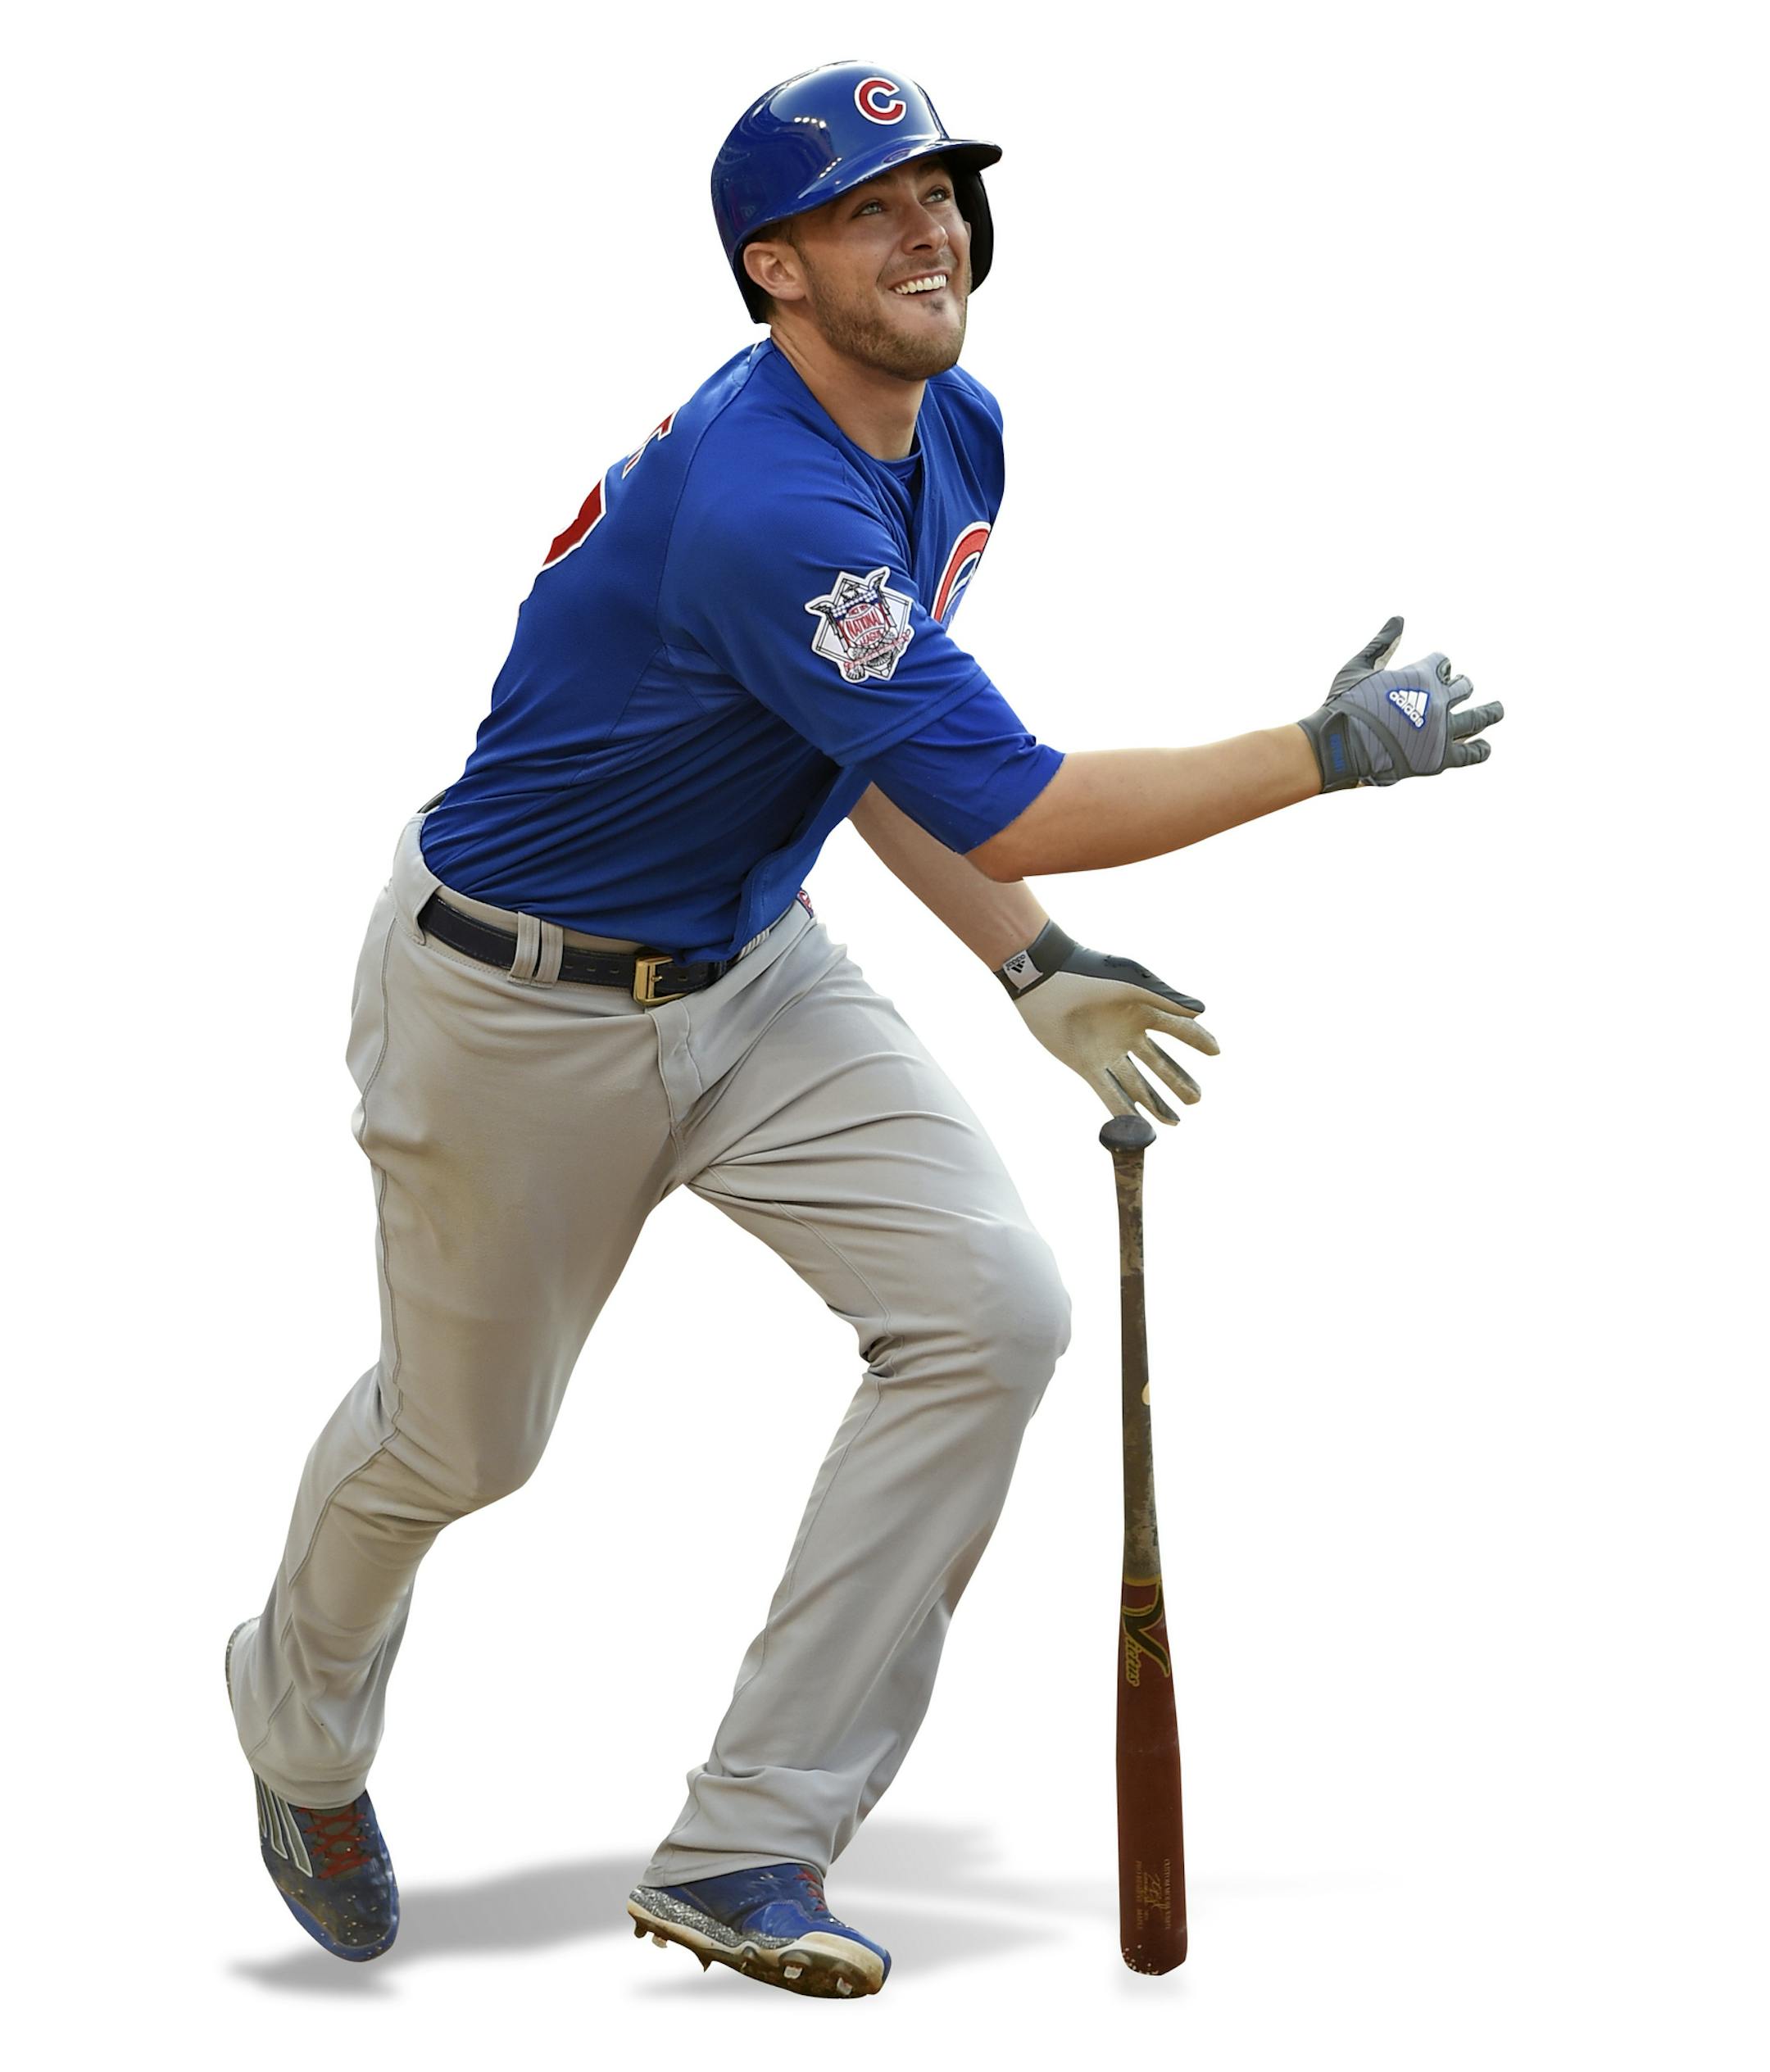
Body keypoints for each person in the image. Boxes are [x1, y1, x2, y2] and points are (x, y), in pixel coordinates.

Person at [224, 58, 1502, 2000]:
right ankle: (293, 1719)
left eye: (941, 191)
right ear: (774, 272)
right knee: (463, 1444)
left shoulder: (953, 431)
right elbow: (1016, 793)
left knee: (993, 1307)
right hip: (512, 1006)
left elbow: (884, 755)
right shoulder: (760, 501)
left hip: (748, 964)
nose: (929, 229)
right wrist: (1319, 754)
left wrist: (1029, 961)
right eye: (866, 209)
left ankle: (751, 1838)